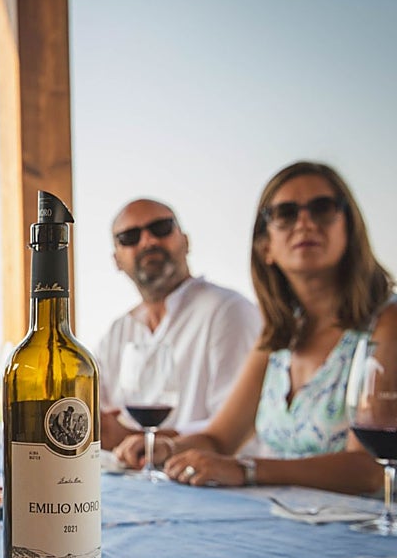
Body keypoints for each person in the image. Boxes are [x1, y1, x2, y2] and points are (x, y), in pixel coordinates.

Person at [115, 162, 391, 495]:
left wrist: (247, 470)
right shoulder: (280, 333)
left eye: (322, 208)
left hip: (360, 523)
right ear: (266, 247)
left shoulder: (387, 323)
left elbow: (371, 469)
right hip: (279, 516)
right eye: (285, 214)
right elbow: (221, 438)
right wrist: (166, 448)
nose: (305, 223)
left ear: (349, 228)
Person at [96, 199, 262, 451]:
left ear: (186, 241)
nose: (148, 241)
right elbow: (96, 412)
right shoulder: (118, 332)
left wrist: (139, 440)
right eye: (130, 237)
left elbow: (242, 427)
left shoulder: (228, 311)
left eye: (161, 228)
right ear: (116, 260)